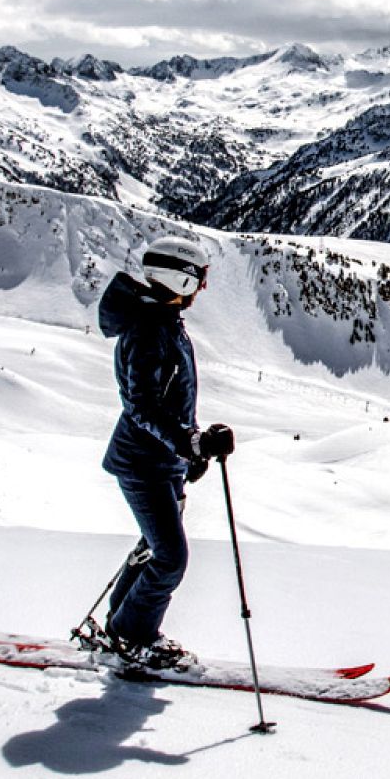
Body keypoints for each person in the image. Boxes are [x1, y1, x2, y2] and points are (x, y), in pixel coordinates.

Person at [93, 234, 235, 670]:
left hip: (160, 460)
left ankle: (120, 627)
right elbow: (143, 407)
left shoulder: (163, 319)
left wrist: (189, 451)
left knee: (156, 548)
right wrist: (188, 442)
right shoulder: (151, 328)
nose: (203, 288)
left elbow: (170, 401)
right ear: (180, 279)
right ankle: (133, 637)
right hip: (143, 463)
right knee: (171, 558)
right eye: (200, 279)